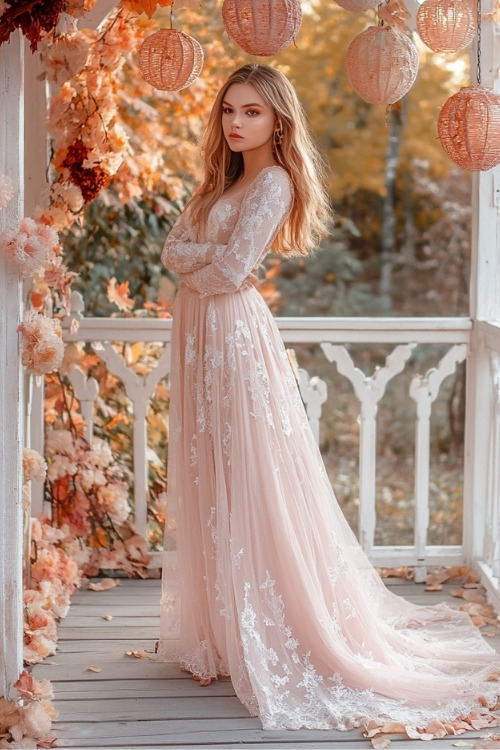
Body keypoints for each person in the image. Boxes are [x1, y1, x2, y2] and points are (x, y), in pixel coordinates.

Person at [157, 63, 500, 733]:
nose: (236, 122)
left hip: (231, 337)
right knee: (210, 471)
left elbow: (227, 269)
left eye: (252, 111)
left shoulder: (275, 182)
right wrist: (205, 259)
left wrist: (204, 259)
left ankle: (272, 627)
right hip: (202, 333)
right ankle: (221, 632)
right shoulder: (220, 183)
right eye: (230, 109)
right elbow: (174, 251)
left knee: (249, 472)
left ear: (277, 121)